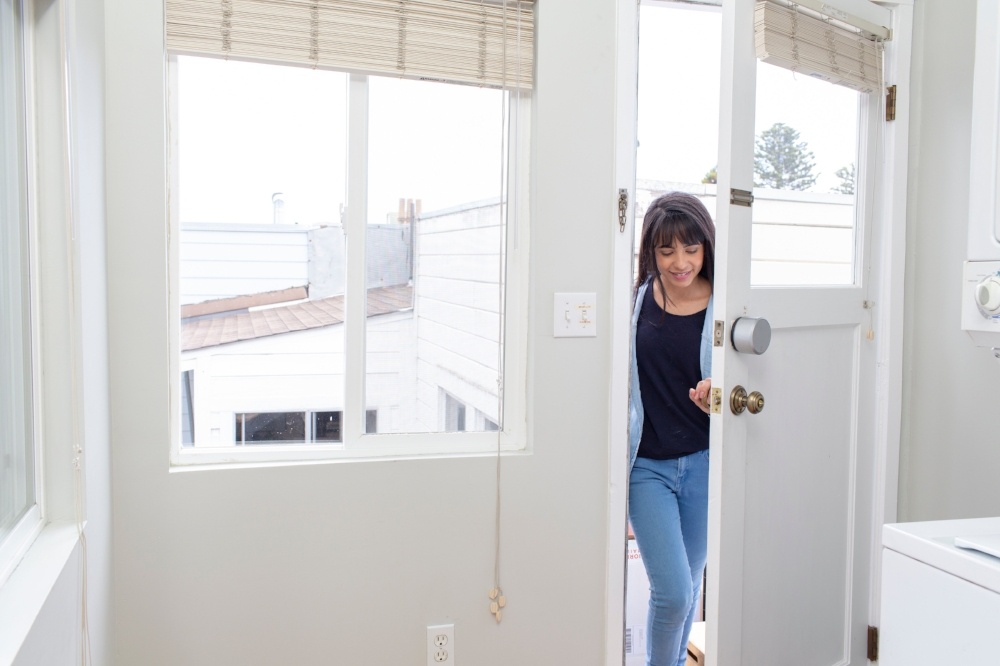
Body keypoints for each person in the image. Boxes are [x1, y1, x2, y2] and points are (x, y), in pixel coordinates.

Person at [628, 191, 715, 666]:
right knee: (675, 593)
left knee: (692, 580)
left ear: (706, 247)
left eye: (691, 249)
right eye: (666, 251)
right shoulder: (638, 298)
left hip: (704, 466)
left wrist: (719, 391)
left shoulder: (725, 305)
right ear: (652, 253)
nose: (680, 262)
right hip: (647, 469)